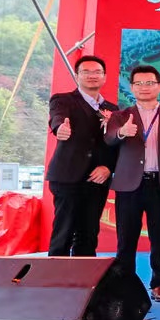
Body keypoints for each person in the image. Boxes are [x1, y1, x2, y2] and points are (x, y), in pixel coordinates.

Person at [104, 65, 160, 300]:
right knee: (126, 238)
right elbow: (109, 138)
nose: (144, 88)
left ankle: (159, 284)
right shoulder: (120, 116)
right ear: (132, 87)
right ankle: (125, 285)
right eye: (139, 84)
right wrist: (122, 132)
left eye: (149, 83)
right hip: (129, 186)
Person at [46, 55, 118, 257]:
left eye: (97, 72)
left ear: (104, 77)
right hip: (67, 177)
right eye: (86, 72)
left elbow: (116, 145)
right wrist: (59, 128)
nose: (92, 76)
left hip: (97, 180)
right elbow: (57, 117)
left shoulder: (113, 109)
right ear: (77, 76)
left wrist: (108, 167)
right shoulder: (63, 100)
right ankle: (55, 275)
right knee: (63, 233)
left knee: (88, 235)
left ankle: (84, 276)